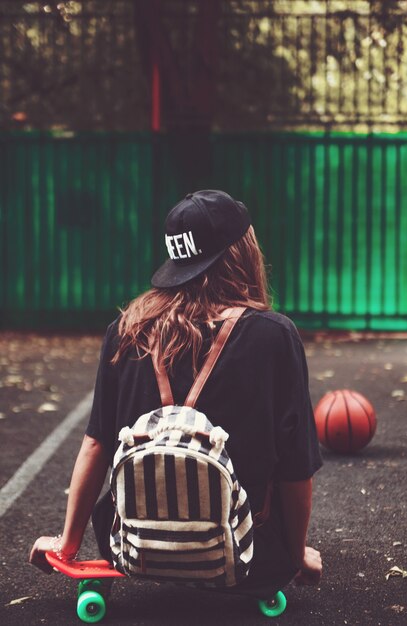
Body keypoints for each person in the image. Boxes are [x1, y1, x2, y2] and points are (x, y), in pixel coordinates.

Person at [30, 189, 323, 596]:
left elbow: (96, 445)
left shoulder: (126, 329)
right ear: (242, 252)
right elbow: (296, 466)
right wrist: (295, 554)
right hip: (246, 555)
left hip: (133, 549)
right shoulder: (274, 335)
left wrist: (68, 544)